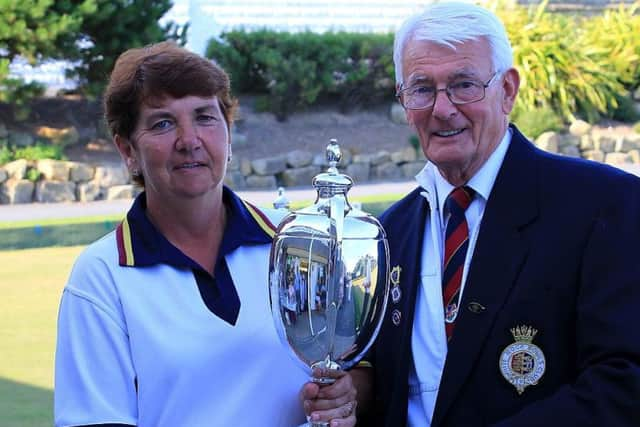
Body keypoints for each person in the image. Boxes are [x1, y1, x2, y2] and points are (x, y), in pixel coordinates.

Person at [362, 2, 640, 426]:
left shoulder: (604, 205)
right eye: (421, 88)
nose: (442, 108)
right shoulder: (390, 232)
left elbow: (625, 383)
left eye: (464, 84)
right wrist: (353, 394)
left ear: (508, 90)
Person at [54, 41, 358, 427]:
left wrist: (344, 398)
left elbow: (353, 367)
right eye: (163, 123)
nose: (189, 140)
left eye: (204, 117)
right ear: (128, 150)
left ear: (228, 133)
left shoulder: (296, 244)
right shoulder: (100, 278)